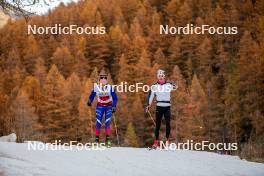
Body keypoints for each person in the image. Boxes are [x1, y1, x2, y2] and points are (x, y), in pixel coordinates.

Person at [146, 69, 178, 148]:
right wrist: (148, 105)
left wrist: (171, 83)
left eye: (162, 76)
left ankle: (167, 141)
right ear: (157, 77)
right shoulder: (154, 86)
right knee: (158, 125)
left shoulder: (168, 85)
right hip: (159, 106)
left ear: (164, 77)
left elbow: (176, 87)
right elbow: (151, 96)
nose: (160, 77)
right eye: (159, 76)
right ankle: (156, 142)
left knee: (168, 124)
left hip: (167, 106)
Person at [87, 69, 118, 147]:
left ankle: (107, 141)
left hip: (109, 106)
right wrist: (89, 101)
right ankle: (96, 140)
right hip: (100, 106)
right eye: (102, 78)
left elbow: (115, 98)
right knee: (98, 123)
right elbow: (92, 95)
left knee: (107, 123)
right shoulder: (96, 87)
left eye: (105, 78)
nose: (103, 79)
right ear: (99, 79)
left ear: (107, 80)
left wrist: (114, 106)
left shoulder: (110, 87)